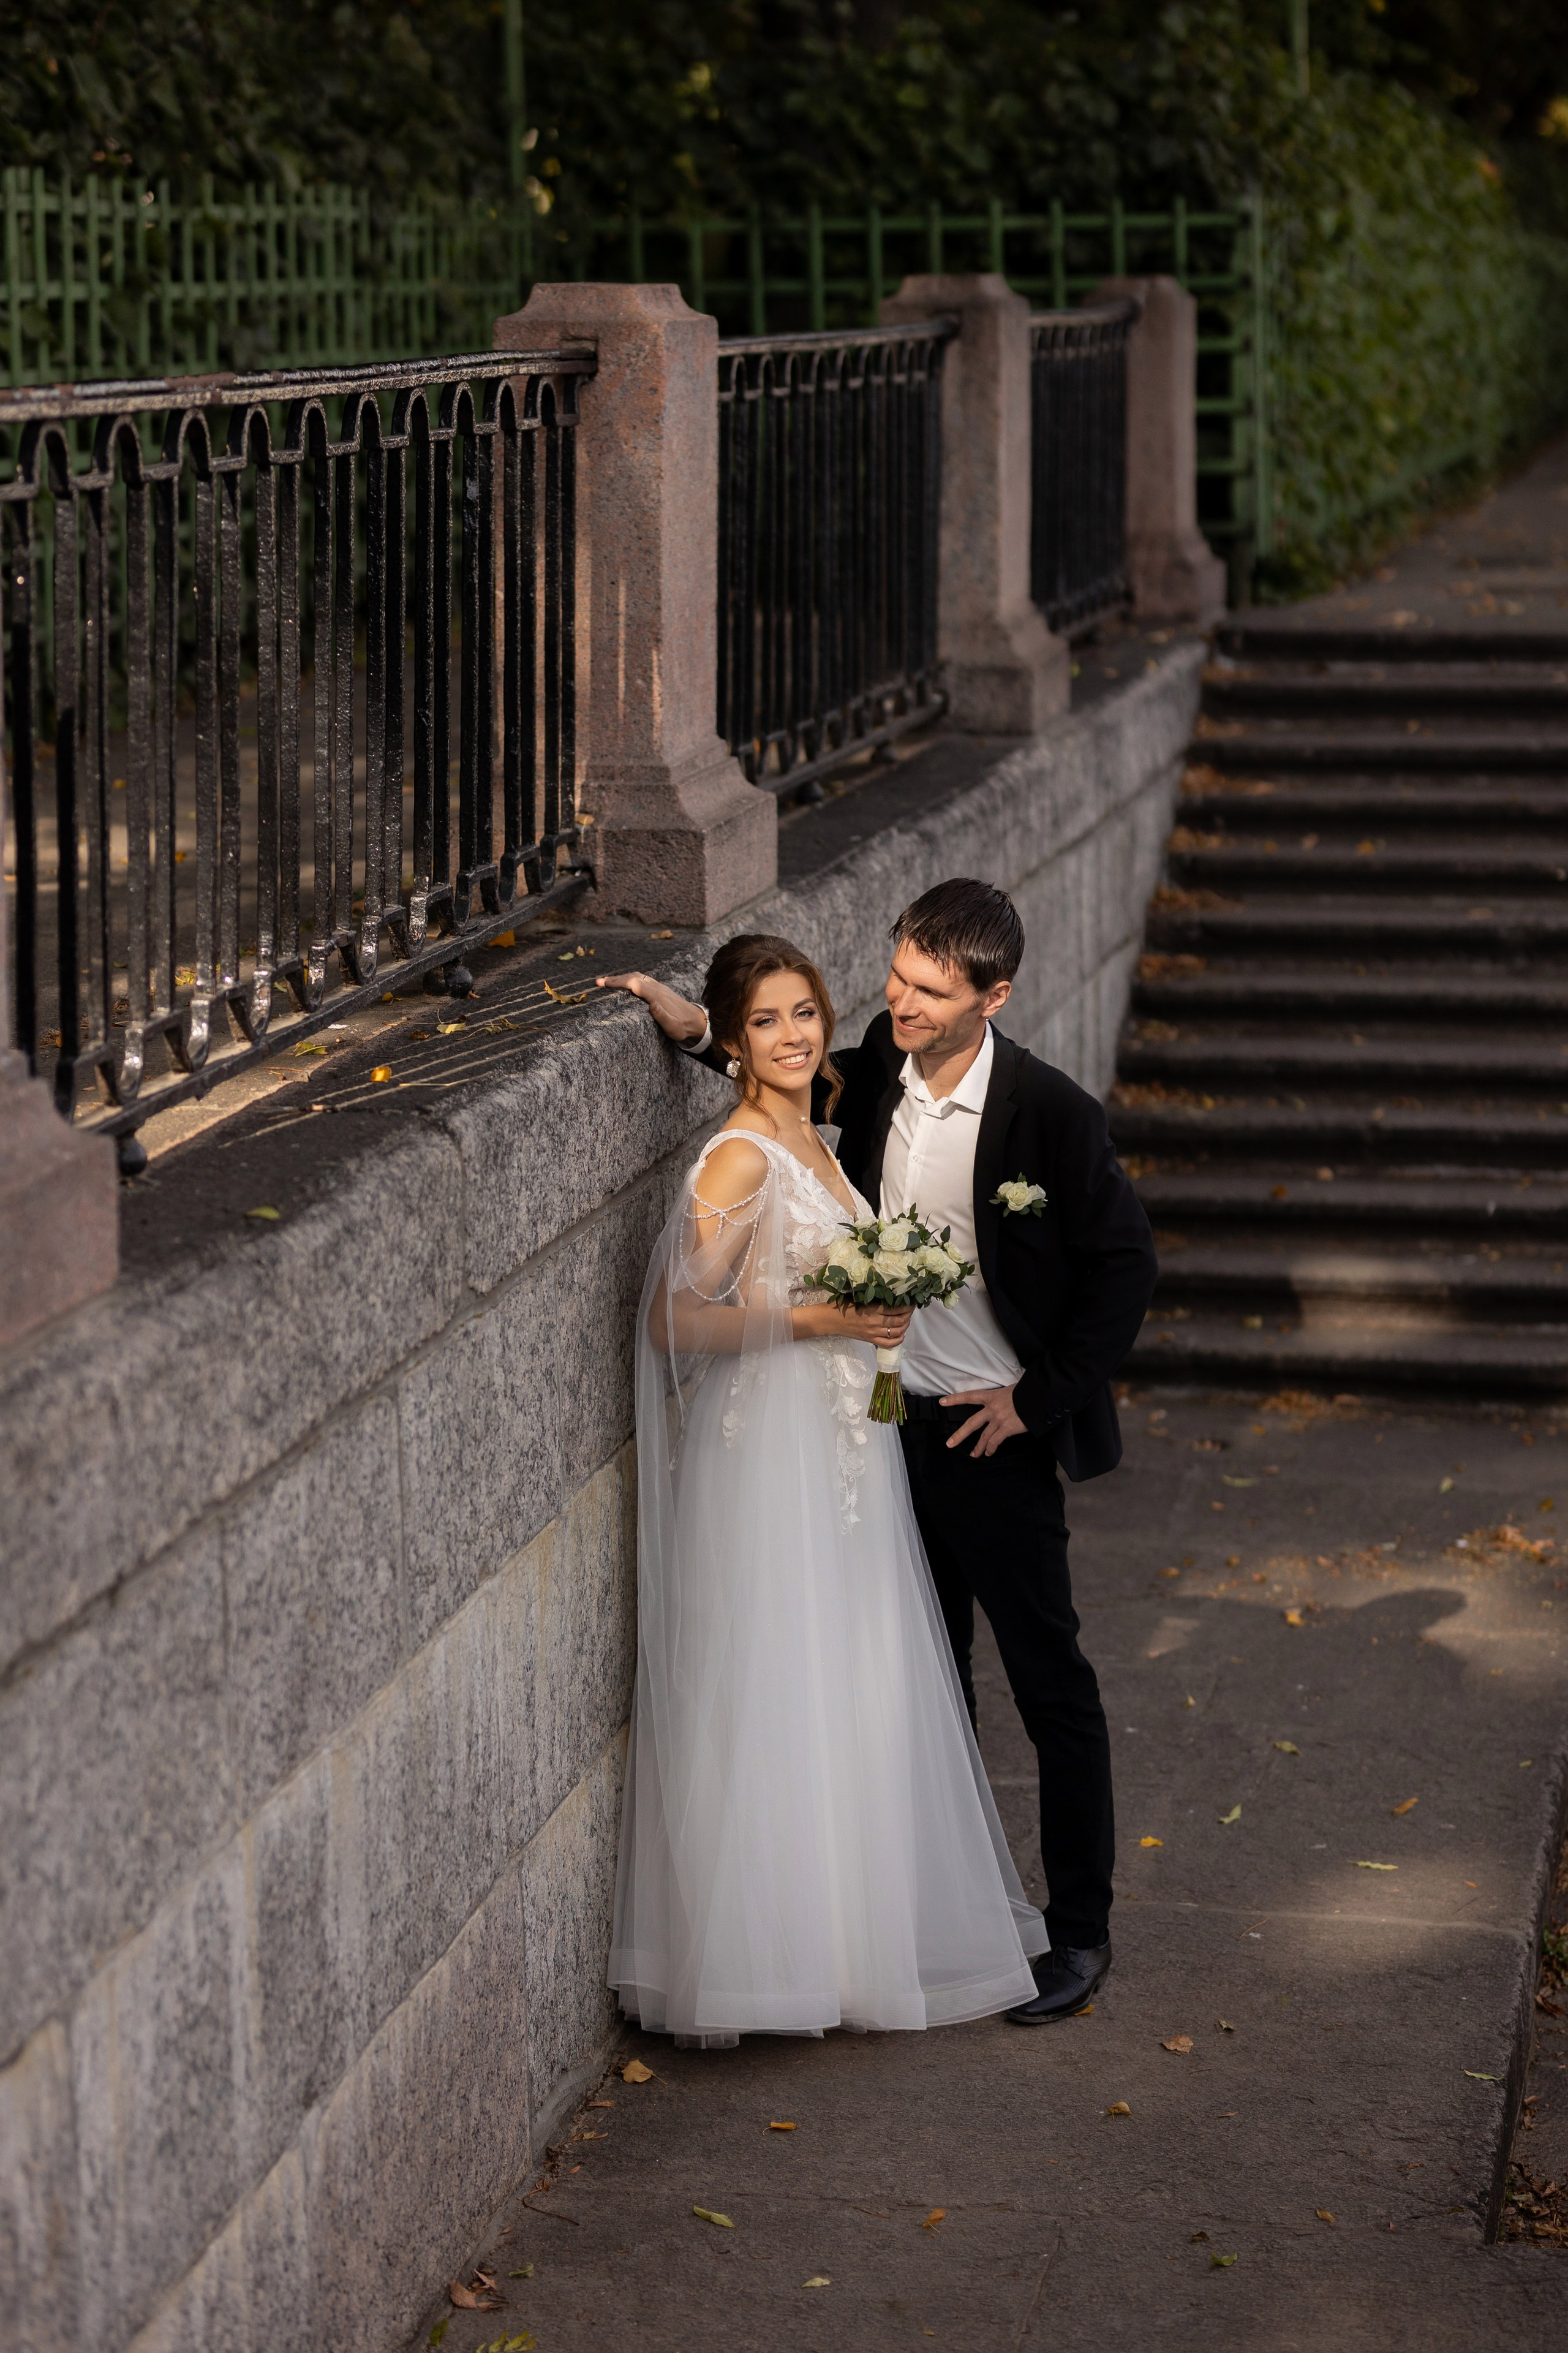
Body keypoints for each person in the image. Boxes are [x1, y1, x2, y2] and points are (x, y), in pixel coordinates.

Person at [600, 878, 1158, 2025]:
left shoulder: (1047, 1114)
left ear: (990, 997)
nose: (897, 1002)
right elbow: (783, 1091)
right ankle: (909, 1912)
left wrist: (1034, 1399)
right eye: (897, 976)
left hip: (986, 1429)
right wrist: (696, 1025)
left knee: (1048, 1674)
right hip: (869, 1436)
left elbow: (1125, 1270)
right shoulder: (877, 1068)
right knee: (909, 1676)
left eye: (927, 991)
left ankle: (1082, 1929)